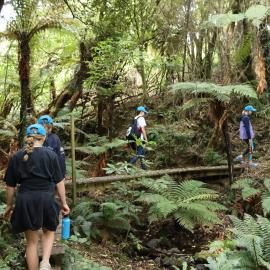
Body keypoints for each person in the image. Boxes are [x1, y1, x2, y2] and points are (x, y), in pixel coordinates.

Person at [3, 124, 70, 270]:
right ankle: (45, 262)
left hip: (25, 199)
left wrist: (9, 205)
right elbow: (59, 181)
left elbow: (10, 186)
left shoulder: (17, 156)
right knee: (49, 231)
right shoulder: (51, 155)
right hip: (46, 197)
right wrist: (64, 202)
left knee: (31, 242)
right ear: (44, 137)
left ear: (27, 137)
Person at [129, 106, 148, 170]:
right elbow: (143, 129)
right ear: (141, 112)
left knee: (142, 153)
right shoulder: (141, 118)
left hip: (135, 138)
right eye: (144, 112)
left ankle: (144, 168)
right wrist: (146, 139)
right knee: (139, 153)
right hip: (140, 138)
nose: (144, 114)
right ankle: (129, 165)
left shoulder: (135, 118)